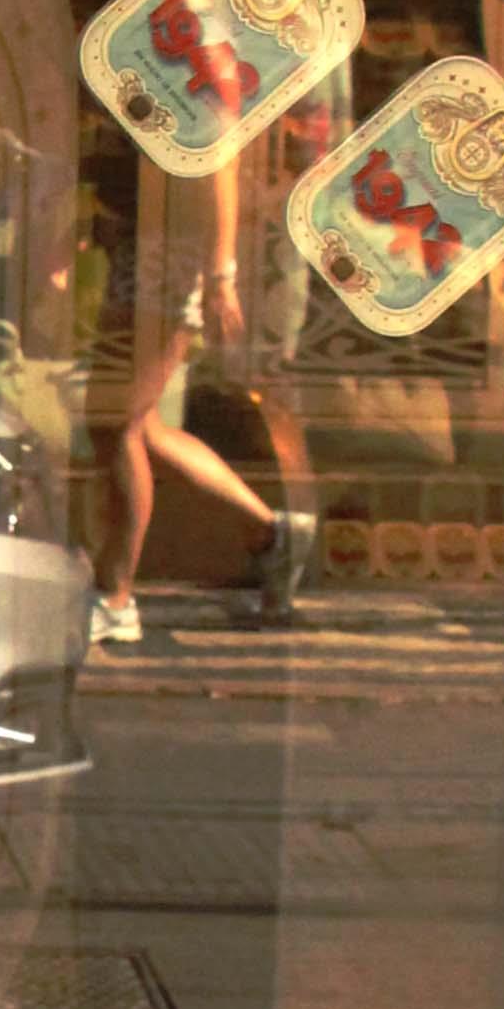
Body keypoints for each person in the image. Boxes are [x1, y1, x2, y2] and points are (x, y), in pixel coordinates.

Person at [91, 154, 307, 647]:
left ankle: (114, 597)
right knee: (138, 426)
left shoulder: (202, 98)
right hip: (147, 247)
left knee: (116, 423)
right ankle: (273, 532)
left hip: (169, 257)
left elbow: (221, 161)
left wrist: (220, 276)